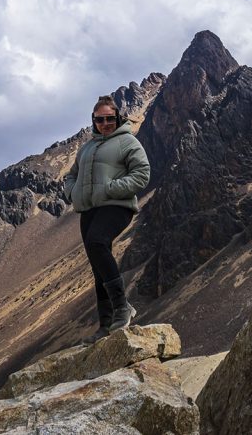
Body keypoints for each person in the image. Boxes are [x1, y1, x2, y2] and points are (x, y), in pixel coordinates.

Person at [63, 95, 150, 343]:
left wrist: (111, 188)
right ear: (94, 120)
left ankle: (123, 308)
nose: (105, 123)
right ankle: (106, 324)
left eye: (109, 118)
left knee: (97, 242)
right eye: (100, 119)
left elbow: (142, 174)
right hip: (89, 210)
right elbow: (71, 176)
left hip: (117, 206)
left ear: (117, 118)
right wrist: (73, 192)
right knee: (97, 264)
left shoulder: (127, 142)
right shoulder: (87, 148)